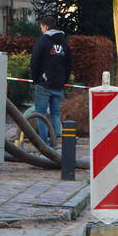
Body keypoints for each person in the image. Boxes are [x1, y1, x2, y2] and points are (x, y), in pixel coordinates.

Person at [30, 16, 72, 145]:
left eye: (41, 27)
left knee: (40, 115)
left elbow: (35, 61)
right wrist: (63, 80)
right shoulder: (64, 42)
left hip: (44, 84)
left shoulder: (43, 41)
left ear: (46, 26)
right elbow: (69, 64)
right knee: (55, 114)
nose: (41, 29)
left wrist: (35, 79)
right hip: (58, 85)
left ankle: (44, 144)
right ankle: (56, 141)